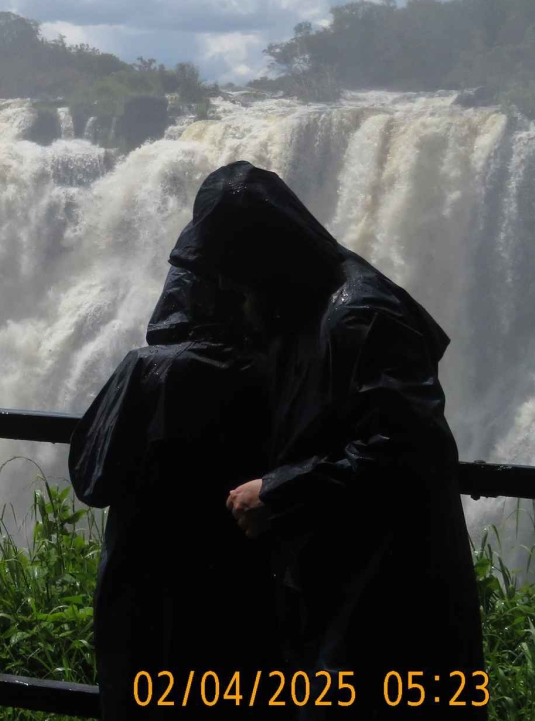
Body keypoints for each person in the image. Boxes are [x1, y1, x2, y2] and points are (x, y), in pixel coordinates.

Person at [171, 161, 485, 719]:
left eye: (234, 268)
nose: (227, 284)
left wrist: (278, 493)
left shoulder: (361, 315)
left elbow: (411, 451)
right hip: (340, 590)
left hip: (391, 607)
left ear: (264, 256)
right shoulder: (300, 304)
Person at [69, 265, 287, 719]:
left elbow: (91, 477)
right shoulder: (271, 373)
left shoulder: (144, 369)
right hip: (234, 597)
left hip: (141, 592)